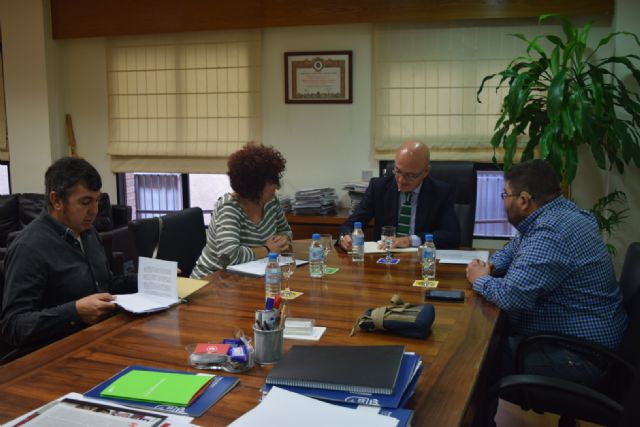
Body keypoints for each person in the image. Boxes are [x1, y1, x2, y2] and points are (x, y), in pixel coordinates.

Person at [465, 159, 628, 423]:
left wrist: (480, 279)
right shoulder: (557, 214)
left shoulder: (551, 231)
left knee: (477, 357)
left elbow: (512, 297)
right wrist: (492, 267)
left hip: (579, 357)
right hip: (580, 341)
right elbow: (515, 250)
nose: (503, 200)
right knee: (487, 340)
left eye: (505, 195)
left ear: (524, 200)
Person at [0, 157, 137, 363]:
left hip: (99, 340)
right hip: (55, 357)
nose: (94, 211)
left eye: (97, 200)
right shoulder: (29, 247)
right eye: (85, 202)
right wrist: (74, 312)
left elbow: (108, 285)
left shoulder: (88, 233)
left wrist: (150, 279)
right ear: (57, 201)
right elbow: (15, 326)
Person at [191, 144, 292, 278]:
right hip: (213, 281)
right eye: (271, 181)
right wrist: (268, 249)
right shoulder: (228, 208)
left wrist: (283, 239)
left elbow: (286, 230)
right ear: (254, 185)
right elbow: (229, 256)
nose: (277, 186)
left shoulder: (271, 202)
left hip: (247, 277)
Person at [338, 140, 460, 251]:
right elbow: (351, 224)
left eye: (410, 175)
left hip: (421, 259)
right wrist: (345, 237)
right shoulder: (379, 187)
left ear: (426, 171)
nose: (401, 180)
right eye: (398, 171)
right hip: (385, 258)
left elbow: (452, 236)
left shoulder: (440, 192)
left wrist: (410, 240)